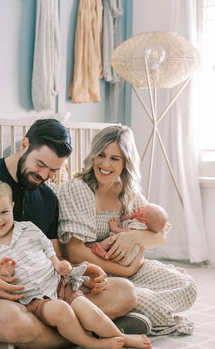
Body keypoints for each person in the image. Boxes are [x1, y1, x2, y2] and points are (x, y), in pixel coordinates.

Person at [0, 119, 150, 349]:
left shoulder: (47, 198)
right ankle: (91, 332)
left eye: (53, 171)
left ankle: (31, 343)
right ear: (24, 145)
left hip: (46, 293)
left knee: (125, 292)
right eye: (40, 164)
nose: (44, 175)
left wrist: (78, 273)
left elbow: (54, 256)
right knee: (12, 322)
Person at [0, 178, 151, 349]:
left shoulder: (28, 229)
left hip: (59, 284)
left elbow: (48, 249)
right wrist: (3, 277)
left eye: (3, 212)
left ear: (12, 206)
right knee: (60, 311)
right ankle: (91, 344)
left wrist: (58, 264)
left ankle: (122, 337)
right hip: (33, 301)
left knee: (89, 311)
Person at [56, 124, 198, 336]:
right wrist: (128, 270)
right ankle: (120, 315)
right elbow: (76, 253)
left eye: (115, 158)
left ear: (125, 163)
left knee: (187, 286)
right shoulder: (77, 189)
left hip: (131, 269)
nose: (105, 164)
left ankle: (121, 317)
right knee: (147, 301)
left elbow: (160, 238)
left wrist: (135, 236)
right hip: (94, 275)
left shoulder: (128, 191)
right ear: (93, 156)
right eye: (101, 155)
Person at [92, 203, 170, 265]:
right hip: (129, 257)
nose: (139, 208)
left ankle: (103, 250)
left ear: (145, 222)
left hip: (127, 254)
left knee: (112, 239)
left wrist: (114, 228)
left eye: (142, 210)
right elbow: (122, 218)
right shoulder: (138, 219)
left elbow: (127, 233)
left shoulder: (139, 225)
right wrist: (132, 215)